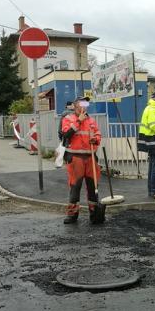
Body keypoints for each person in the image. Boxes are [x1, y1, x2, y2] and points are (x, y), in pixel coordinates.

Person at [60, 96, 102, 225]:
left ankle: (95, 214)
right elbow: (66, 135)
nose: (83, 106)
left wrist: (95, 139)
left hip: (90, 158)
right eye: (81, 103)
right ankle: (72, 215)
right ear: (75, 106)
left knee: (92, 187)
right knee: (75, 187)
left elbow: (98, 134)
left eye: (85, 104)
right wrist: (78, 121)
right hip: (75, 157)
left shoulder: (92, 120)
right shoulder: (68, 119)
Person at [138, 91, 155, 198]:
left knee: (152, 167)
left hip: (149, 141)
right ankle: (154, 191)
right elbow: (153, 125)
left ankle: (151, 190)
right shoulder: (153, 109)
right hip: (154, 141)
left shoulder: (148, 108)